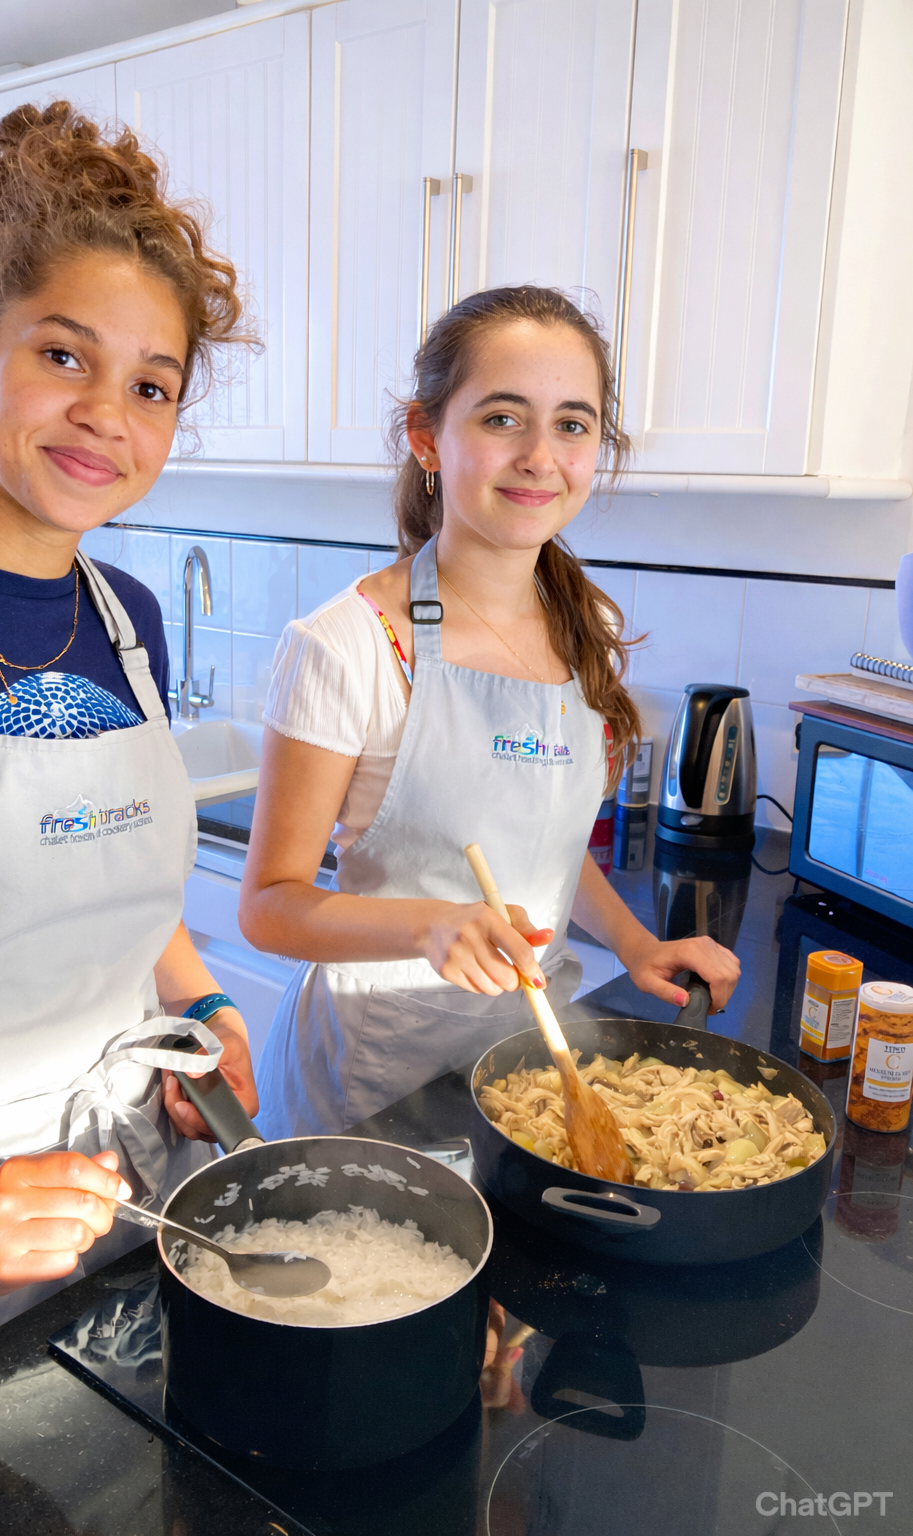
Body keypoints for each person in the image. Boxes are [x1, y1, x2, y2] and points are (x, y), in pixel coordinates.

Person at [0, 102, 258, 1388]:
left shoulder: (131, 619)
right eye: (63, 355)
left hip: (124, 1179)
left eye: (151, 385)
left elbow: (100, 860)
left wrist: (192, 989)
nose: (107, 412)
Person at [240, 285, 740, 1138]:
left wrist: (634, 943)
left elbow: (540, 847)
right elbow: (269, 906)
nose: (541, 456)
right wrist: (431, 925)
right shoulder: (350, 645)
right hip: (374, 1081)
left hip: (529, 1069)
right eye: (503, 418)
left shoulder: (586, 627)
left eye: (573, 424)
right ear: (427, 437)